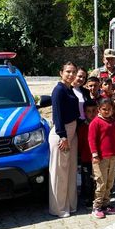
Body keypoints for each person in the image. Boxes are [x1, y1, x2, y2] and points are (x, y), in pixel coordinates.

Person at [49, 62, 80, 218]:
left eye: (73, 72)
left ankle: (70, 204)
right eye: (68, 71)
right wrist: (63, 136)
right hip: (63, 135)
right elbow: (57, 116)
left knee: (70, 172)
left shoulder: (70, 89)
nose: (71, 74)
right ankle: (59, 208)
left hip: (72, 133)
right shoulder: (58, 90)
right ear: (61, 72)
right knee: (59, 173)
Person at [88, 98, 115, 218]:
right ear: (99, 109)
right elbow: (92, 140)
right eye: (104, 109)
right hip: (100, 158)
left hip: (112, 156)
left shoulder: (113, 121)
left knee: (110, 181)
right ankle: (96, 206)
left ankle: (106, 204)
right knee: (101, 182)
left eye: (109, 109)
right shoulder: (95, 122)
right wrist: (95, 155)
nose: (106, 111)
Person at [77, 100, 98, 207]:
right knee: (87, 179)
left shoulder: (100, 124)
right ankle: (88, 197)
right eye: (89, 111)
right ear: (85, 113)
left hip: (98, 158)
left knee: (97, 179)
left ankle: (98, 197)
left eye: (94, 111)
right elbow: (80, 144)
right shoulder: (82, 127)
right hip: (86, 158)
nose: (92, 113)